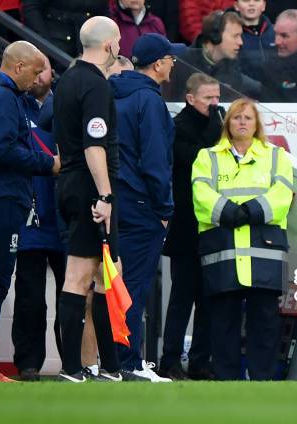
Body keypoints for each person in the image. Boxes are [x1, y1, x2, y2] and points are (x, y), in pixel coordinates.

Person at [0, 41, 59, 382]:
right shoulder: (2, 99)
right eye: (34, 72)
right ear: (18, 67)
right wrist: (49, 164)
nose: (37, 80)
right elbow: (4, 151)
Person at [53, 16, 136, 383]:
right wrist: (104, 194)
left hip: (72, 182)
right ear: (108, 46)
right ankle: (72, 368)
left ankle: (111, 367)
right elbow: (94, 145)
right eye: (117, 41)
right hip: (90, 187)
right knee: (80, 275)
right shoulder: (95, 85)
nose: (119, 46)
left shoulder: (68, 79)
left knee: (104, 274)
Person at [191, 98, 294, 380]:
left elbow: (283, 195)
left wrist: (251, 210)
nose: (242, 122)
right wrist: (229, 212)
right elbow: (200, 194)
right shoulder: (207, 156)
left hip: (264, 249)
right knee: (223, 320)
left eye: (248, 118)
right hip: (223, 247)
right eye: (236, 117)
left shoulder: (276, 156)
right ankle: (227, 379)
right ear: (228, 123)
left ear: (256, 124)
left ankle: (262, 379)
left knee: (265, 320)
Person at [109, 33, 186, 382]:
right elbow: (155, 161)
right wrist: (165, 209)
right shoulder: (149, 101)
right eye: (170, 58)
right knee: (135, 286)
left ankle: (117, 361)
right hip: (142, 206)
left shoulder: (114, 95)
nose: (174, 63)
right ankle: (129, 362)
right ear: (157, 64)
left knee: (114, 285)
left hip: (114, 201)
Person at [159, 73, 224, 381]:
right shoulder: (179, 128)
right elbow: (196, 161)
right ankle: (170, 360)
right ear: (190, 98)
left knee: (209, 301)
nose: (215, 105)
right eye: (209, 99)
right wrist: (214, 132)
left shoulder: (217, 126)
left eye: (217, 98)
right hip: (186, 228)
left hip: (212, 227)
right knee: (182, 300)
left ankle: (200, 360)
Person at [12, 55, 66, 382]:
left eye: (42, 67)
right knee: (30, 297)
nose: (38, 73)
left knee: (70, 296)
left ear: (51, 73)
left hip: (62, 216)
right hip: (28, 217)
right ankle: (28, 364)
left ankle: (72, 363)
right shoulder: (14, 107)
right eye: (33, 67)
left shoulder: (66, 106)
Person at [165, 11, 259, 101]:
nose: (240, 42)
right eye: (235, 36)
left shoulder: (233, 66)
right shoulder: (181, 63)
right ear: (215, 36)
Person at [22, 1, 111, 59]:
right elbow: (31, 8)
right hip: (54, 48)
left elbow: (104, 13)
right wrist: (43, 45)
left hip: (89, 48)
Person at [230, 0, 275, 82]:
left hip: (275, 91)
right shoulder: (229, 34)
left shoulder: (277, 32)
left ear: (264, 5)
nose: (251, 4)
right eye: (246, 0)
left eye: (257, 0)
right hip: (243, 91)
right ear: (236, 5)